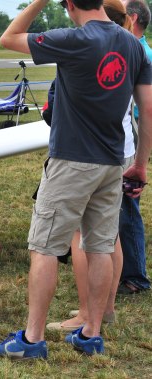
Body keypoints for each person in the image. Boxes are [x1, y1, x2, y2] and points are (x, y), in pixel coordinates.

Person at [0, 0, 152, 359]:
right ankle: (91, 333)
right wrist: (140, 163)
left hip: (71, 161)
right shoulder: (132, 44)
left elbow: (8, 38)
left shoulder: (72, 39)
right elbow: (148, 106)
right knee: (99, 246)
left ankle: (32, 340)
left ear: (68, 4)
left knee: (45, 247)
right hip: (113, 162)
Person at [45, 0, 133, 332]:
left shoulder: (84, 46)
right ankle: (105, 308)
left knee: (83, 236)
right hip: (119, 151)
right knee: (110, 237)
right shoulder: (131, 48)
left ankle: (85, 313)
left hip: (84, 154)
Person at [118, 0, 151, 294]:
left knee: (128, 206)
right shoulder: (136, 47)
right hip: (132, 128)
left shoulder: (139, 51)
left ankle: (135, 276)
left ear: (132, 18)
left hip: (135, 130)